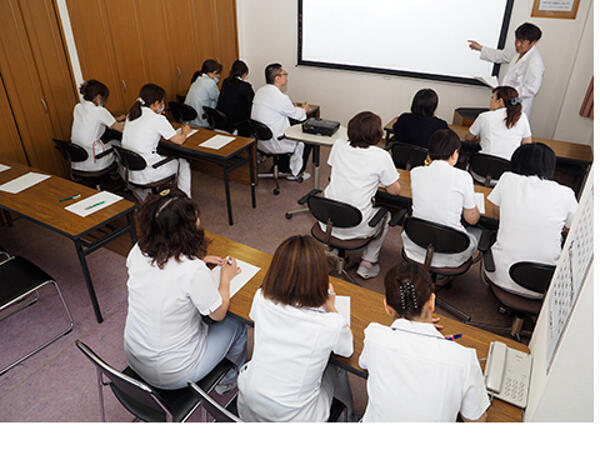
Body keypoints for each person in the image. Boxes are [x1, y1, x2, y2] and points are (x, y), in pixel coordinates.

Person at [124, 189, 247, 392]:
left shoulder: (137, 250)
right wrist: (225, 277)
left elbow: (164, 277)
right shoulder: (191, 269)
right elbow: (218, 314)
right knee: (236, 323)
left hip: (134, 357)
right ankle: (229, 379)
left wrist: (197, 261)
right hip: (174, 373)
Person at [236, 235, 353, 422]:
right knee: (336, 366)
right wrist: (331, 306)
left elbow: (254, 317)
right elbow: (347, 350)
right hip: (294, 419)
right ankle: (351, 413)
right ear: (320, 277)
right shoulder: (331, 324)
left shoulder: (261, 297)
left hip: (249, 406)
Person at [359, 262, 490, 422]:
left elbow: (365, 364)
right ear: (432, 302)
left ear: (387, 307)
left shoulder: (374, 337)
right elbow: (476, 420)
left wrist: (417, 327)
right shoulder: (463, 359)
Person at [484, 143, 578, 298]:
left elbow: (497, 215)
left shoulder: (507, 179)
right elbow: (573, 229)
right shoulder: (566, 193)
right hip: (543, 285)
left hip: (499, 275)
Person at [323, 111, 402, 279]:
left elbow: (337, 172)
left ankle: (335, 251)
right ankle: (368, 262)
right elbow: (395, 190)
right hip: (356, 224)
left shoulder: (338, 145)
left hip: (328, 220)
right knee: (386, 215)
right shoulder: (381, 156)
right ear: (377, 134)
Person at [402, 129, 481, 268]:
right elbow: (472, 219)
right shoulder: (463, 177)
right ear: (454, 154)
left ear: (429, 153)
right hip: (452, 251)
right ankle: (443, 278)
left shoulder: (416, 172)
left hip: (416, 244)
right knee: (477, 234)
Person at [121, 83, 194, 198]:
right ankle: (185, 198)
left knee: (163, 155)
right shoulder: (157, 119)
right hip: (148, 172)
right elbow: (179, 140)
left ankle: (145, 197)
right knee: (183, 162)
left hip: (131, 172)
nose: (163, 105)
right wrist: (184, 132)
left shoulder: (132, 115)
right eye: (162, 102)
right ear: (156, 103)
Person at [468, 22, 544, 118]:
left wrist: (509, 94)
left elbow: (532, 89)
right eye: (516, 40)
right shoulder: (518, 52)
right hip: (504, 102)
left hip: (517, 105)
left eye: (522, 42)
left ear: (533, 43)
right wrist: (480, 48)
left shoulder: (535, 62)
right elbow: (500, 55)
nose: (517, 44)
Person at [251, 63, 311, 181]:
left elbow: (276, 109)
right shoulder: (280, 98)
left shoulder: (260, 91)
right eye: (285, 74)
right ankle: (294, 172)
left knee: (289, 124)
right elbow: (299, 116)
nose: (286, 77)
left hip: (260, 141)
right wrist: (305, 109)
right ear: (277, 78)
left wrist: (289, 106)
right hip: (276, 142)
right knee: (308, 138)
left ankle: (282, 165)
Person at [465, 86, 532, 164]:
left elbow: (468, 138)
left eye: (492, 98)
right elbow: (527, 144)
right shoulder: (522, 117)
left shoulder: (484, 116)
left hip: (482, 166)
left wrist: (479, 138)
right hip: (508, 167)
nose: (491, 101)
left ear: (500, 101)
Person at [70, 80, 125, 172]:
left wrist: (116, 119)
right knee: (117, 143)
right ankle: (119, 176)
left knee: (109, 141)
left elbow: (92, 121)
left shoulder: (78, 107)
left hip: (77, 161)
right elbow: (121, 129)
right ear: (98, 97)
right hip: (94, 161)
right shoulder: (99, 110)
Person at [216, 60, 254, 136]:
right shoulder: (246, 86)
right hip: (236, 124)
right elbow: (252, 104)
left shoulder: (225, 82)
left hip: (222, 121)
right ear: (244, 74)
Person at [185, 59, 222, 128]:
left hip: (189, 120)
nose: (219, 76)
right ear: (214, 72)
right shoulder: (210, 83)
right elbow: (219, 100)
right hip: (201, 121)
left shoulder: (198, 79)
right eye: (218, 74)